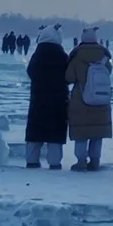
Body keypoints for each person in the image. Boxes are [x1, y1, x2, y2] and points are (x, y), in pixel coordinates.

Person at [66, 25, 112, 171]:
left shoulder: (77, 56)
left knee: (82, 132)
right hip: (101, 98)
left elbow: (69, 77)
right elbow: (108, 73)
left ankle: (81, 161)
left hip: (81, 99)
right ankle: (95, 161)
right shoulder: (105, 57)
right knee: (97, 133)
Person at [25, 24, 68, 170]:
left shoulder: (37, 55)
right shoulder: (62, 56)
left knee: (35, 133)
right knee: (55, 134)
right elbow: (68, 76)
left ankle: (32, 161)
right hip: (58, 100)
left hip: (38, 99)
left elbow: (30, 72)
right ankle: (54, 162)